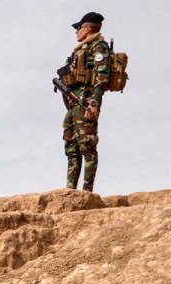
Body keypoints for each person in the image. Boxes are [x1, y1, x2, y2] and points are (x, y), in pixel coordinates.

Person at [60, 12, 111, 192]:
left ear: (87, 28)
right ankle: (70, 191)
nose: (76, 32)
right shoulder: (81, 50)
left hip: (86, 101)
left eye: (79, 28)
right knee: (71, 149)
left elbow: (102, 77)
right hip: (74, 103)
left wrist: (94, 103)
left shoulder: (98, 47)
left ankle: (87, 192)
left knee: (87, 147)